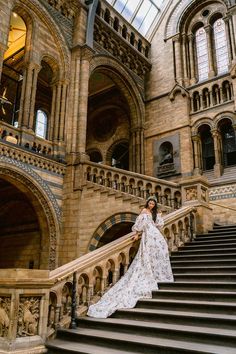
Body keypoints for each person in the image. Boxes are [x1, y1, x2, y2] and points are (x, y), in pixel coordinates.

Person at [87, 196, 174, 319]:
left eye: (153, 203)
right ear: (147, 203)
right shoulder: (144, 211)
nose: (151, 204)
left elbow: (158, 225)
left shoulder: (154, 213)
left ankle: (157, 272)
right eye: (150, 202)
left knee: (161, 248)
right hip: (148, 234)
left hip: (154, 233)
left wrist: (158, 215)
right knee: (147, 253)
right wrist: (137, 234)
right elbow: (140, 224)